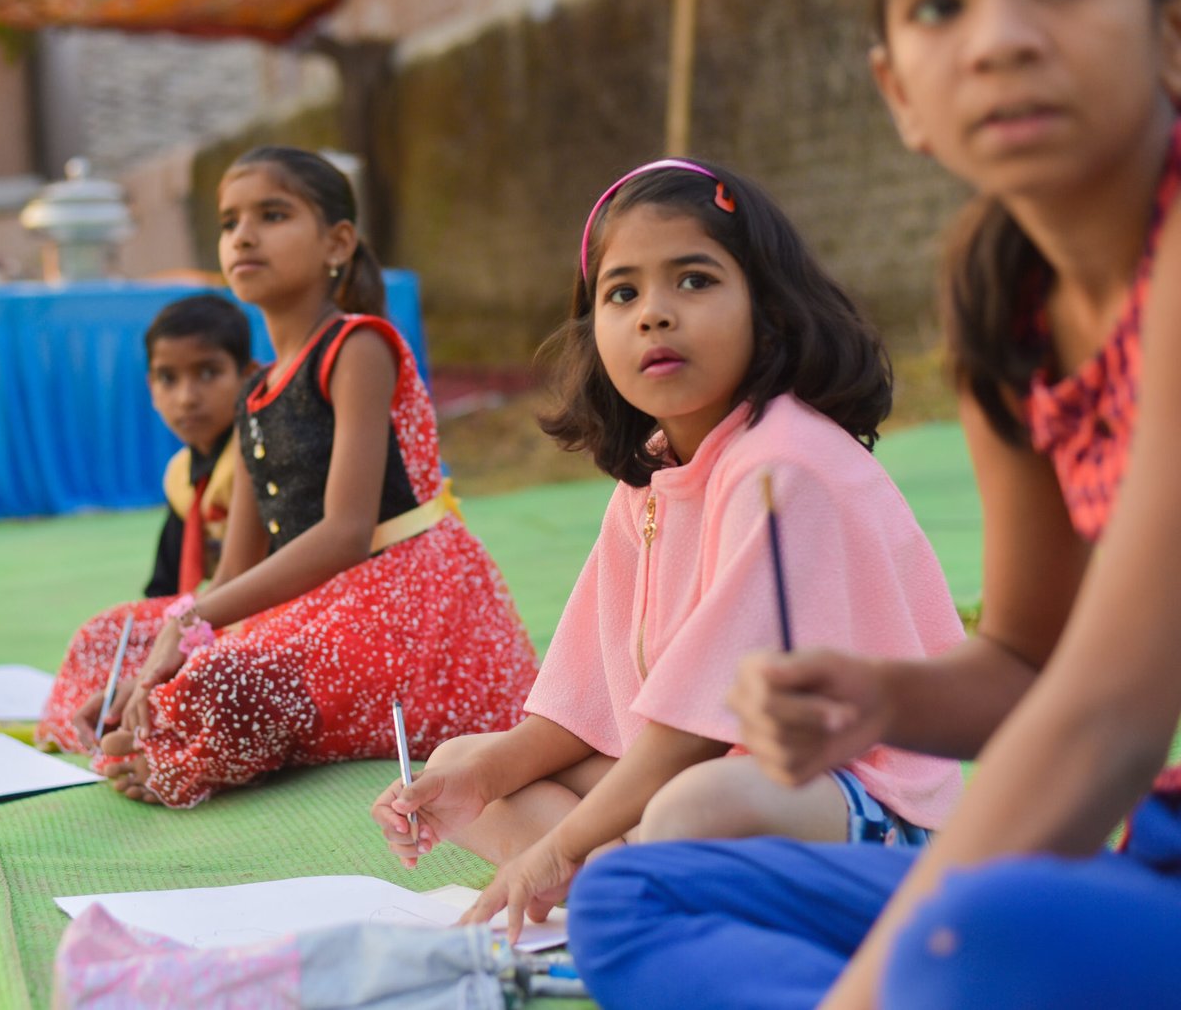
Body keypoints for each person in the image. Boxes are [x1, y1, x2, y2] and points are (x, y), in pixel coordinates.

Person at [566, 0, 1181, 1006]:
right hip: (1149, 847)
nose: (998, 41)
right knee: (626, 898)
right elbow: (1030, 667)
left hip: (1102, 831)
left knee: (973, 937)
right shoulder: (1005, 294)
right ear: (898, 88)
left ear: (1169, 30)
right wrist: (880, 698)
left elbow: (1108, 714)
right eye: (938, 3)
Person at [371, 158, 965, 941]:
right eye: (623, 293)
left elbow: (693, 733)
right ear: (595, 333)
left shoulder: (783, 466)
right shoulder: (652, 477)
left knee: (695, 806)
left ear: (768, 307)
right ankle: (630, 879)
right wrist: (475, 780)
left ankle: (618, 879)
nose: (655, 314)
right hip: (712, 777)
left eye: (694, 281)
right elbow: (581, 715)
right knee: (465, 762)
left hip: (861, 810)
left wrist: (554, 849)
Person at [36, 145, 539, 808]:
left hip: (405, 606)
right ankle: (166, 726)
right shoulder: (254, 396)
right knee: (109, 639)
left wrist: (189, 635)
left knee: (223, 675)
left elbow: (346, 535)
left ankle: (188, 751)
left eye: (272, 215)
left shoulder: (357, 347)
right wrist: (166, 646)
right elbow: (233, 577)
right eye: (229, 222)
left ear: (337, 242)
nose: (243, 235)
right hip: (310, 609)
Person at [140, 293, 252, 598]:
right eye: (168, 378)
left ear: (247, 376)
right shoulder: (179, 475)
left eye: (207, 373)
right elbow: (163, 589)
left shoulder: (260, 452)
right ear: (151, 387)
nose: (186, 398)